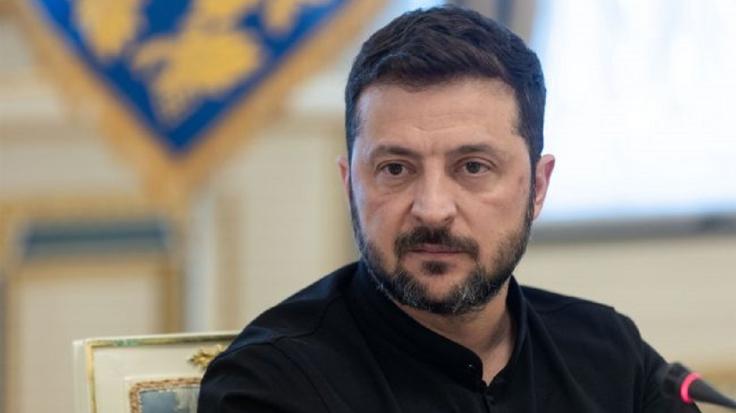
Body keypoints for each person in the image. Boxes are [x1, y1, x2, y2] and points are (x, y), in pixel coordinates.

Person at [198, 6, 700, 413]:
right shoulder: (270, 383)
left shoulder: (611, 353)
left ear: (538, 186)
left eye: (473, 167)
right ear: (350, 185)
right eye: (396, 169)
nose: (433, 209)